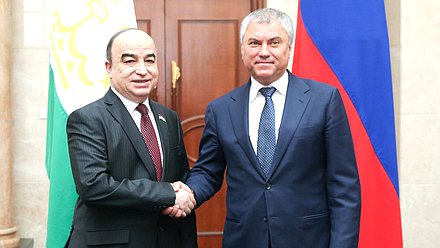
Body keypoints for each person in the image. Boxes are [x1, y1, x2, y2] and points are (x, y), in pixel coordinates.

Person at [175, 8, 361, 248]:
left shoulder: (324, 100)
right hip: (244, 239)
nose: (264, 52)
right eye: (254, 43)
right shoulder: (221, 109)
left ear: (289, 48)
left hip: (308, 240)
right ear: (243, 49)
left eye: (274, 42)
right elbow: (208, 172)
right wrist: (187, 193)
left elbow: (343, 185)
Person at [65, 28, 197, 248]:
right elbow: (94, 186)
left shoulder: (169, 118)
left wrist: (185, 198)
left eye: (149, 60)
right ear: (110, 68)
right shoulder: (87, 118)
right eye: (130, 61)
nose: (142, 70)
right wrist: (168, 195)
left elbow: (181, 178)